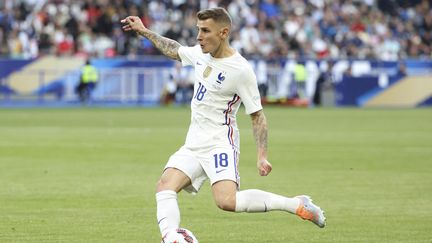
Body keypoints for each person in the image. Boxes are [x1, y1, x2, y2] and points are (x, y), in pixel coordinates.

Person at [121, 7, 326, 239]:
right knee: (164, 186)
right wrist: (144, 31)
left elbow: (257, 115)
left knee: (227, 201)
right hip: (194, 142)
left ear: (223, 32)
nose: (199, 36)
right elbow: (175, 49)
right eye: (198, 30)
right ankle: (172, 237)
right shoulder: (200, 54)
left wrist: (261, 156)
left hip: (220, 142)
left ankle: (296, 204)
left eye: (205, 31)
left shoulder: (241, 70)